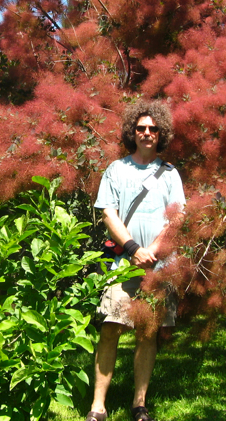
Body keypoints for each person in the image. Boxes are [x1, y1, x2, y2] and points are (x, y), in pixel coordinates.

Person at [86, 101, 185, 421]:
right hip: (122, 264)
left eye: (153, 129)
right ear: (133, 131)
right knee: (110, 328)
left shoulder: (170, 174)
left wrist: (152, 250)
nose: (146, 133)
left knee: (147, 332)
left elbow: (177, 218)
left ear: (161, 134)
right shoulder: (117, 170)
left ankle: (139, 404)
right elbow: (107, 212)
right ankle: (97, 407)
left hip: (158, 266)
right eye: (141, 128)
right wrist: (132, 248)